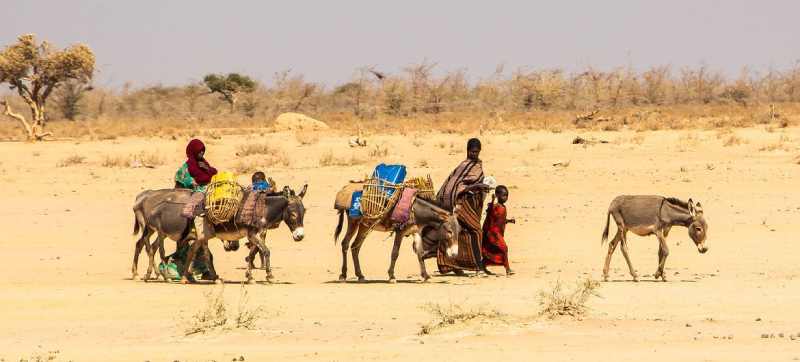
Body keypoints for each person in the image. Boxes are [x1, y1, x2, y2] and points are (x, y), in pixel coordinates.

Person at [435, 138, 492, 274]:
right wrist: (477, 185)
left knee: (462, 233)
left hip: (467, 203)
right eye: (472, 152)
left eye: (477, 152)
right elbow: (457, 186)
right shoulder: (463, 165)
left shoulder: (476, 165)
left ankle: (456, 266)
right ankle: (478, 267)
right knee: (477, 231)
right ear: (467, 151)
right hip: (459, 204)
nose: (474, 154)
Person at [482, 185, 515, 275]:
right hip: (492, 233)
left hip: (498, 233)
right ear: (497, 195)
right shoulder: (495, 206)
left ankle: (483, 264)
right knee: (504, 248)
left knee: (492, 250)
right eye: (503, 195)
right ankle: (508, 269)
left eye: (506, 196)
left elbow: (500, 220)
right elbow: (490, 212)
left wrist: (509, 221)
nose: (505, 198)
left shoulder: (503, 207)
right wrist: (492, 201)